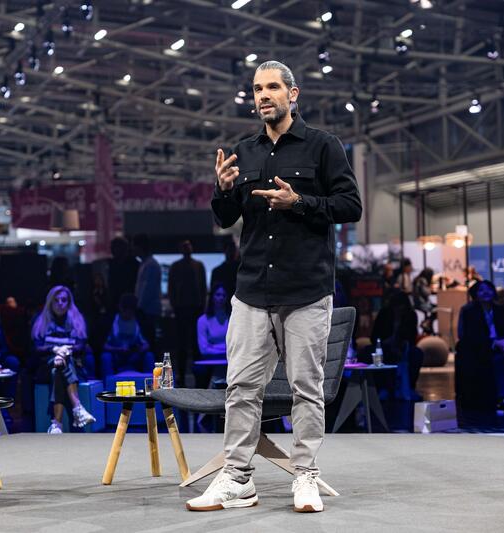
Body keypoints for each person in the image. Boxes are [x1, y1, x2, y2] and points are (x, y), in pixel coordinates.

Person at [187, 60, 361, 513]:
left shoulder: (323, 146)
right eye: (257, 89)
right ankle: (238, 478)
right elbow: (226, 219)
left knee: (306, 388)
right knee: (241, 387)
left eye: (271, 88)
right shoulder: (243, 151)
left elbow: (350, 205)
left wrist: (299, 201)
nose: (262, 95)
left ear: (292, 94)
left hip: (306, 288)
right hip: (252, 291)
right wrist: (223, 190)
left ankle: (305, 474)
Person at [31, 285, 96, 434]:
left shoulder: (77, 321)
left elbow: (81, 346)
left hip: (73, 367)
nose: (60, 303)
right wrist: (54, 350)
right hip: (45, 368)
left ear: (69, 302)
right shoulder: (41, 322)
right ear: (50, 302)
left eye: (64, 300)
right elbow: (36, 348)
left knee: (58, 370)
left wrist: (65, 352)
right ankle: (77, 408)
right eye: (56, 300)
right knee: (56, 367)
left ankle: (56, 424)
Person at [456, 281, 504, 413]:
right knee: (498, 360)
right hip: (479, 347)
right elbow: (468, 336)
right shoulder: (468, 311)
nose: (486, 292)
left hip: (501, 344)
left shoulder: (500, 309)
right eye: (481, 290)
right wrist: (493, 343)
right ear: (475, 294)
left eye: (489, 289)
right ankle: (502, 399)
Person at [363, 290, 424, 398]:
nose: (399, 311)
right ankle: (382, 388)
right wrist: (385, 342)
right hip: (384, 346)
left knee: (416, 354)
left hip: (402, 347)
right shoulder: (384, 314)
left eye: (401, 308)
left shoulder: (410, 315)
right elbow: (375, 337)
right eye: (397, 307)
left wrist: (401, 344)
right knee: (370, 352)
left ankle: (409, 387)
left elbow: (411, 337)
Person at [168, 239, 207, 387]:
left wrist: (203, 306)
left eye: (188, 246)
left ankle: (197, 374)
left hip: (195, 309)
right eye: (184, 246)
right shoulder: (175, 267)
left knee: (195, 345)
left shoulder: (199, 266)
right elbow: (171, 288)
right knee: (182, 345)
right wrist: (174, 305)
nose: (187, 249)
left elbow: (203, 287)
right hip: (181, 309)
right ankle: (182, 375)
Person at [100, 293, 154, 379]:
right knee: (105, 357)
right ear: (121, 308)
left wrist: (139, 350)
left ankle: (151, 385)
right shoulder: (112, 321)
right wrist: (118, 349)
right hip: (116, 356)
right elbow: (104, 345)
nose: (128, 313)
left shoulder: (139, 322)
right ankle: (108, 384)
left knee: (149, 356)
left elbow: (146, 344)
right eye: (126, 310)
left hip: (134, 356)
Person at [195, 283, 231, 388]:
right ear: (212, 297)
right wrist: (225, 348)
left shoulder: (232, 318)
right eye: (218, 295)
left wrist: (214, 347)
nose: (221, 298)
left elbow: (236, 345)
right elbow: (203, 349)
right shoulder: (202, 320)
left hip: (230, 357)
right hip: (210, 358)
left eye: (224, 295)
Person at [132, 234, 162, 351]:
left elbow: (147, 290)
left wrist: (138, 307)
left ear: (140, 247)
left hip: (147, 311)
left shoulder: (150, 265)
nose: (132, 249)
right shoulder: (146, 263)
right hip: (145, 310)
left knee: (149, 342)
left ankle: (154, 368)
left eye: (134, 246)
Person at [107, 237, 140, 318]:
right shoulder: (135, 264)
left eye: (113, 247)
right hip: (116, 303)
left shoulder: (134, 265)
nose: (111, 250)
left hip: (128, 303)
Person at [413, 268, 436, 334]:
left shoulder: (417, 279)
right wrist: (430, 287)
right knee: (438, 309)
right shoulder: (422, 281)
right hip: (422, 304)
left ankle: (427, 322)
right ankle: (427, 322)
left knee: (436, 307)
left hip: (417, 303)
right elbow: (426, 292)